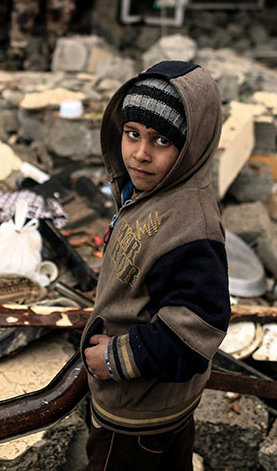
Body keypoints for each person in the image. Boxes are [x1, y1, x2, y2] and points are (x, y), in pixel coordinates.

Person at [81, 61, 230, 470]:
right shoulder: (151, 193)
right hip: (151, 405)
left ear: (192, 146)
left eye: (161, 141)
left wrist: (115, 358)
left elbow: (198, 329)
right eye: (132, 134)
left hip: (138, 417)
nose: (141, 154)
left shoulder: (188, 227)